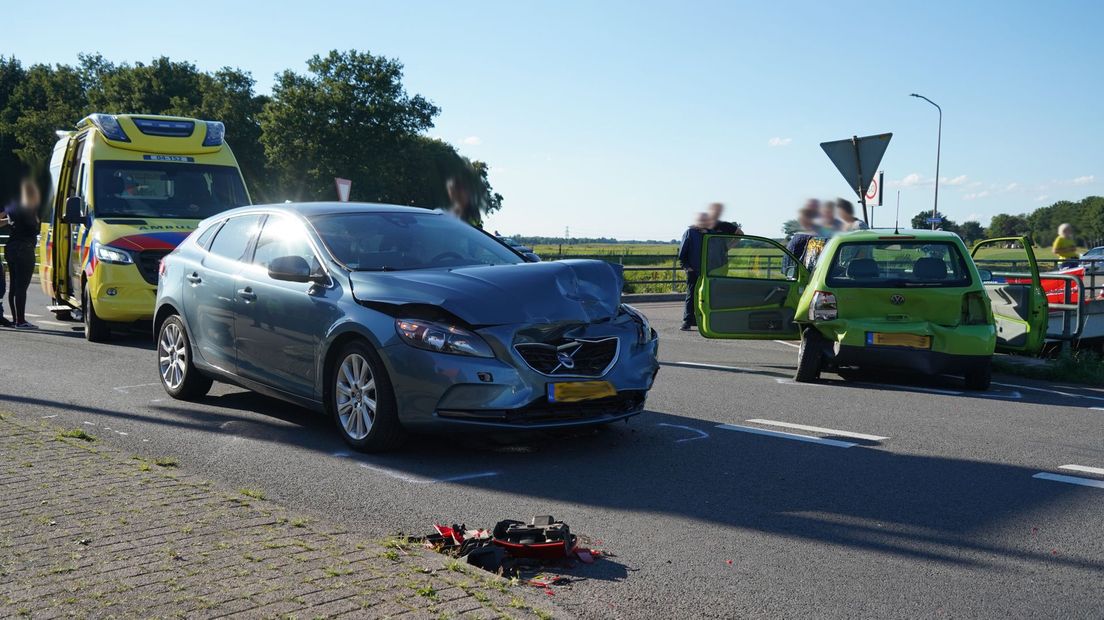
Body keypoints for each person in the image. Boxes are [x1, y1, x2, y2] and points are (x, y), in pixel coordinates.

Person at [2, 178, 42, 329]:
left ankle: (15, 320)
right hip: (24, 248)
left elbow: (5, 219)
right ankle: (21, 320)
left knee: (13, 286)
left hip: (11, 247)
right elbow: (35, 224)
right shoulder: (30, 208)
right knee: (21, 287)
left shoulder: (13, 206)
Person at [677, 212, 710, 331]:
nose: (704, 222)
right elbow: (682, 253)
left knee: (706, 296)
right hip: (693, 270)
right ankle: (687, 321)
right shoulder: (690, 233)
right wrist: (686, 267)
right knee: (691, 295)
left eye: (706, 220)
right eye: (702, 220)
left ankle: (700, 320)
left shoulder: (710, 233)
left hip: (707, 272)